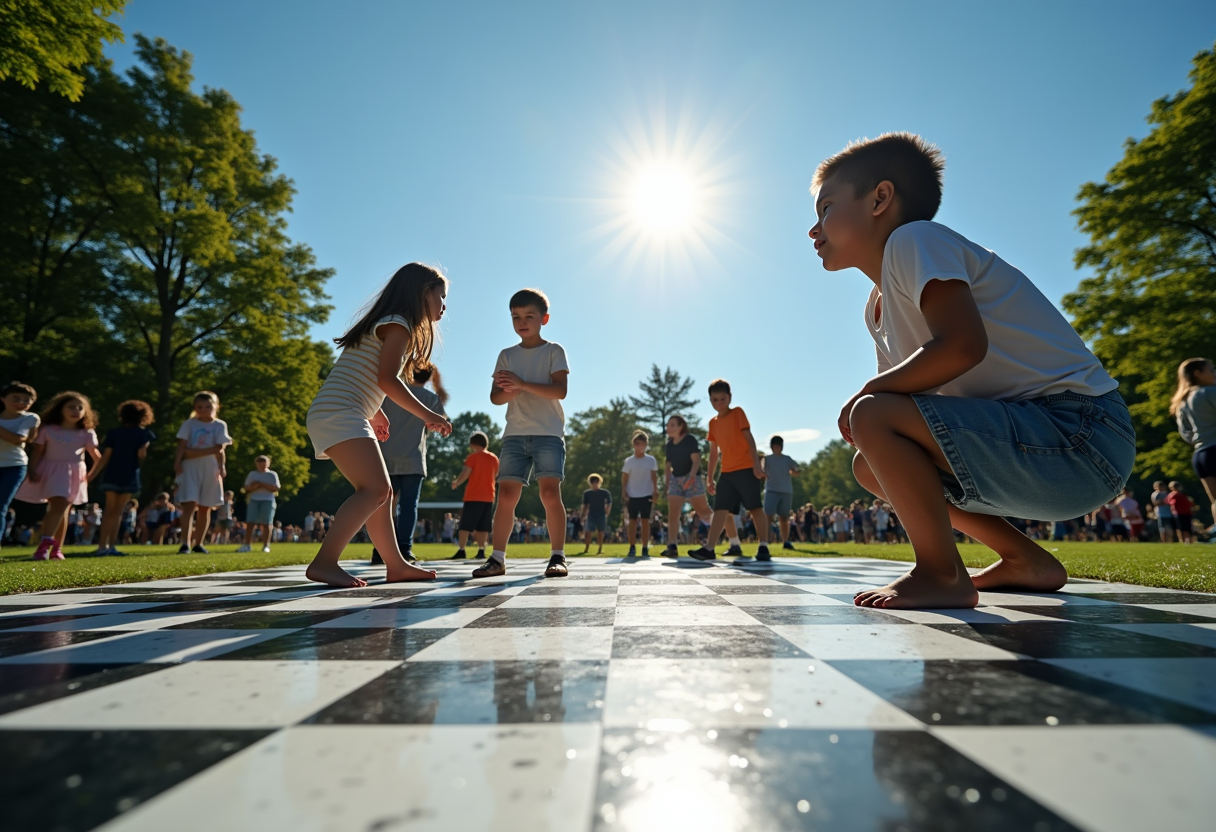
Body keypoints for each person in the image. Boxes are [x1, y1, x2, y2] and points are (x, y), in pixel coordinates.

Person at [809, 132, 1133, 608]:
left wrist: (867, 395)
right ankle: (1027, 560)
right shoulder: (876, 308)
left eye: (826, 208)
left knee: (873, 413)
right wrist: (873, 404)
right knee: (870, 462)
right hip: (1045, 450)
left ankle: (941, 574)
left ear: (880, 198)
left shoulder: (915, 239)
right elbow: (907, 409)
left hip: (1082, 433)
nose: (814, 229)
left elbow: (963, 346)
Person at [304, 262, 450, 587]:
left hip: (342, 410)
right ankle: (324, 562)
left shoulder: (386, 322)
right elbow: (388, 379)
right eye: (441, 297)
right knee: (377, 490)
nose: (444, 306)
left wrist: (375, 412)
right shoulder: (398, 324)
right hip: (340, 412)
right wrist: (428, 414)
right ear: (423, 293)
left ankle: (396, 565)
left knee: (378, 494)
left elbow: (365, 376)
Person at [476, 288, 570, 579]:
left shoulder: (554, 351)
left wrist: (522, 384)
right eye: (516, 317)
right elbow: (495, 397)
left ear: (545, 318)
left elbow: (560, 391)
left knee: (550, 494)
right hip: (514, 434)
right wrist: (511, 388)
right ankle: (497, 559)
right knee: (505, 496)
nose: (522, 322)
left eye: (529, 316)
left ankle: (557, 556)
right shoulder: (506, 355)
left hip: (548, 434)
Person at [369, 363, 448, 565]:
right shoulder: (431, 398)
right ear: (429, 377)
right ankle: (405, 548)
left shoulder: (391, 393)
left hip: (385, 455)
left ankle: (380, 549)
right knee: (409, 506)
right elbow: (439, 424)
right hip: (413, 458)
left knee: (384, 505)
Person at [688, 379, 771, 562]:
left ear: (730, 397)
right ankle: (709, 548)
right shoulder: (713, 423)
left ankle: (763, 546)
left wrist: (756, 465)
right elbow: (713, 452)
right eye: (715, 399)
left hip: (746, 468)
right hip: (726, 472)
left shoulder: (738, 413)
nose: (719, 403)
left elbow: (750, 440)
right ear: (710, 400)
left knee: (755, 507)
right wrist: (710, 478)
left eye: (723, 399)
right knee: (720, 509)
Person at [16, 391, 100, 561]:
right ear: (60, 408)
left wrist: (91, 475)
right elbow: (38, 451)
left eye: (80, 408)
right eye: (71, 406)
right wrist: (32, 469)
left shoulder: (86, 432)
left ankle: (55, 548)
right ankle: (46, 544)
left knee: (63, 509)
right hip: (51, 470)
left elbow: (97, 457)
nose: (75, 410)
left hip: (74, 472)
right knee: (57, 507)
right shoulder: (47, 429)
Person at [662, 415, 739, 556]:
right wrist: (668, 482)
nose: (669, 427)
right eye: (668, 424)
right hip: (676, 480)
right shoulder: (669, 445)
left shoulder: (689, 440)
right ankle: (672, 546)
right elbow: (668, 465)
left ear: (681, 427)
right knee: (673, 514)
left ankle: (732, 539)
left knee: (704, 512)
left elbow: (696, 460)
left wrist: (691, 477)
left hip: (692, 478)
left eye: (673, 424)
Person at [88, 400, 155, 556]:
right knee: (118, 512)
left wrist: (92, 474)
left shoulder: (114, 433)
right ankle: (111, 546)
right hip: (130, 474)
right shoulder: (144, 434)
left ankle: (101, 547)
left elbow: (105, 456)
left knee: (109, 510)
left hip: (112, 473)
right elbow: (141, 454)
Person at [173, 391, 231, 555]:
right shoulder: (189, 424)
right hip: (190, 467)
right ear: (194, 408)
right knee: (189, 504)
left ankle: (198, 543)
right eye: (200, 407)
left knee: (206, 506)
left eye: (208, 406)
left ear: (215, 407)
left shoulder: (219, 425)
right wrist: (178, 462)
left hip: (211, 468)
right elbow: (182, 447)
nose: (204, 410)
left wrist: (222, 467)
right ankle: (185, 543)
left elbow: (219, 449)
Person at [1172, 357, 1216, 530]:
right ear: (1198, 373)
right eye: (1211, 370)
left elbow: (1186, 435)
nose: (1214, 373)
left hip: (1201, 455)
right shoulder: (1209, 393)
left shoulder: (1182, 402)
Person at [0, 381, 39, 550]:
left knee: (1, 506)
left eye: (26, 400)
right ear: (3, 398)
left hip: (14, 466)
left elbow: (18, 439)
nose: (21, 403)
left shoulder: (30, 418)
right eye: (16, 398)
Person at [450, 430, 499, 559]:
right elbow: (496, 475)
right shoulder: (494, 458)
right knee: (484, 526)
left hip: (473, 495)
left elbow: (465, 473)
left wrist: (456, 483)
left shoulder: (473, 457)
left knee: (465, 525)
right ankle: (481, 550)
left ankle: (462, 550)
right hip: (489, 496)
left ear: (473, 444)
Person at [622, 429, 659, 557]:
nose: (640, 446)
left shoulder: (651, 460)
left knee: (645, 521)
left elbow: (654, 476)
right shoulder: (629, 461)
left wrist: (655, 490)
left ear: (646, 445)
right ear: (634, 444)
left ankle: (644, 547)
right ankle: (632, 546)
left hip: (647, 493)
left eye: (642, 443)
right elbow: (625, 478)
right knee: (632, 521)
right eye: (637, 443)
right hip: (632, 494)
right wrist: (624, 491)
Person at [762, 435, 800, 550]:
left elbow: (797, 470)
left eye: (779, 445)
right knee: (768, 516)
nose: (777, 447)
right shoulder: (767, 459)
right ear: (772, 446)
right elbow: (761, 470)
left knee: (783, 517)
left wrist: (794, 472)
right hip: (771, 490)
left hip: (785, 491)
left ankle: (785, 541)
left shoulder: (787, 459)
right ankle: (764, 541)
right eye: (775, 445)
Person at [238, 455, 280, 554]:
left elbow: (276, 488)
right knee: (250, 523)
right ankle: (247, 545)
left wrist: (260, 484)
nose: (261, 465)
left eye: (264, 462)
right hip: (254, 499)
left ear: (268, 463)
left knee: (267, 523)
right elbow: (247, 488)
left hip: (268, 500)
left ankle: (266, 546)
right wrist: (257, 486)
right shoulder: (252, 474)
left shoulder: (272, 474)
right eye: (259, 462)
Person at [580, 474, 612, 554]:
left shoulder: (604, 492)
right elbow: (585, 505)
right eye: (592, 482)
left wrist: (607, 511)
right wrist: (582, 514)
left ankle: (600, 548)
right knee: (588, 531)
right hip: (591, 514)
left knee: (601, 531)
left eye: (596, 481)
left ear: (599, 482)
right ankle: (586, 548)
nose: (594, 483)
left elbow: (609, 502)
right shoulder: (587, 493)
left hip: (601, 514)